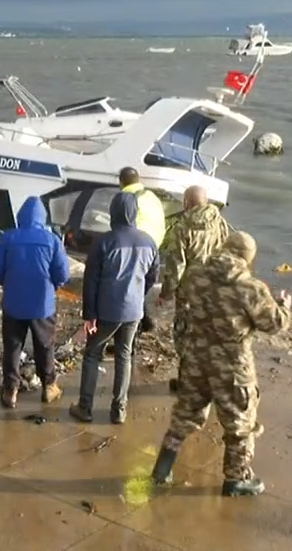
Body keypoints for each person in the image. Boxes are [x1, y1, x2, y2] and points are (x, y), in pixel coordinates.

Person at [151, 230, 291, 497]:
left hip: (196, 357)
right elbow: (274, 324)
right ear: (247, 258)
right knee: (240, 422)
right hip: (232, 364)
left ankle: (162, 469)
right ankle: (236, 479)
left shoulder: (197, 276)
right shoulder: (251, 288)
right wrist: (284, 305)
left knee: (185, 414)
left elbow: (187, 301)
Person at [70, 192, 160, 425]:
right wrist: (138, 293)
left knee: (92, 355)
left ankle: (85, 407)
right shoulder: (148, 241)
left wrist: (89, 315)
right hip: (134, 310)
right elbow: (152, 276)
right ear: (133, 214)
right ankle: (119, 410)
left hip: (107, 310)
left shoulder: (105, 242)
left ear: (113, 213)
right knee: (124, 356)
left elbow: (91, 281)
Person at [0, 196, 70, 409]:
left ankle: (10, 390)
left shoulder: (8, 237)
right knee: (44, 345)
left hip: (14, 301)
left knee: (13, 346)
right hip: (43, 303)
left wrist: (8, 281)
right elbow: (62, 273)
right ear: (43, 217)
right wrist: (54, 286)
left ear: (20, 216)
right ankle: (49, 386)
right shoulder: (51, 240)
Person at [156, 185, 232, 393]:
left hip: (190, 292)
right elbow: (229, 254)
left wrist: (165, 293)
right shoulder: (220, 223)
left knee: (184, 336)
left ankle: (187, 382)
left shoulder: (183, 228)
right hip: (215, 290)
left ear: (187, 203)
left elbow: (176, 266)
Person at [118, 167, 167, 333]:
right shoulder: (152, 196)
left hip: (136, 249)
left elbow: (121, 226)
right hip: (154, 248)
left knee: (129, 290)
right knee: (141, 287)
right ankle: (145, 321)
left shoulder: (125, 198)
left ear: (120, 182)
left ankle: (131, 333)